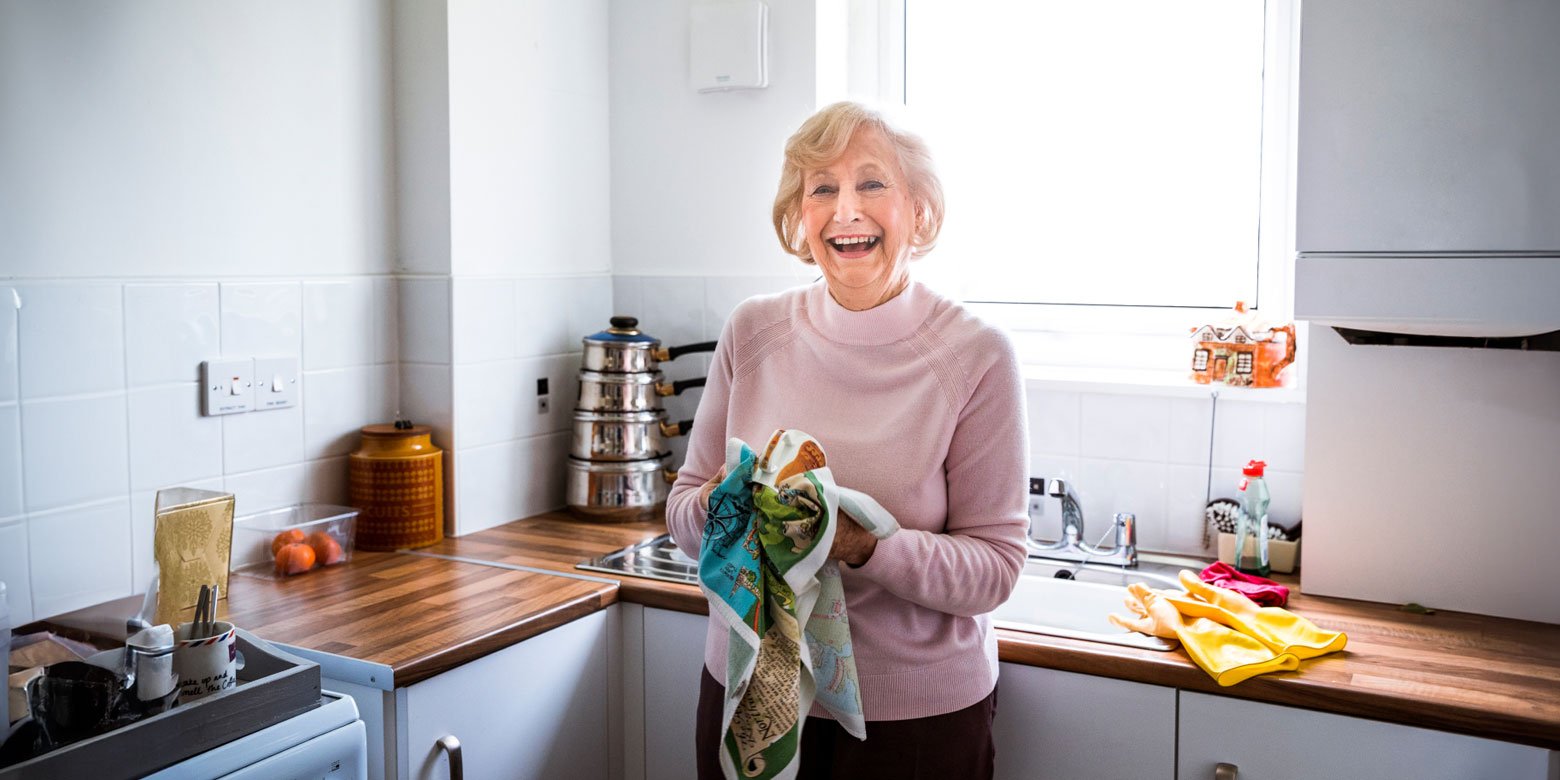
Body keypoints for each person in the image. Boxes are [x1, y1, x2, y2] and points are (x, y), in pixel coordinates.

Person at [665, 101, 1030, 780]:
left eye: (872, 183)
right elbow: (685, 509)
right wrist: (721, 508)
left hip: (915, 723)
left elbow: (996, 568)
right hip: (747, 695)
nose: (846, 210)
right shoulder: (752, 332)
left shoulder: (975, 355)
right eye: (822, 188)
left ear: (919, 212)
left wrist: (862, 545)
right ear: (798, 218)